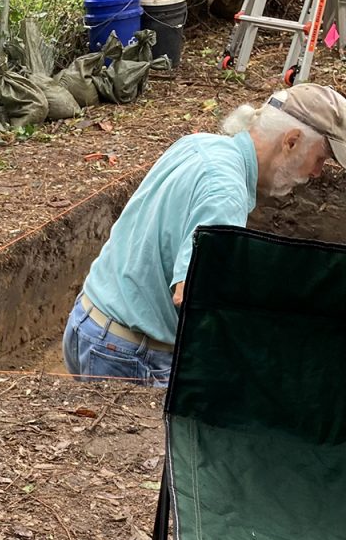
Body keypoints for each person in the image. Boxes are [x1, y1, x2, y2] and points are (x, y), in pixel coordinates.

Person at [63, 83, 346, 385]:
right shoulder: (226, 192)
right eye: (320, 159)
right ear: (291, 141)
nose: (317, 173)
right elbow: (194, 294)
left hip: (90, 321)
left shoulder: (201, 145)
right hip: (127, 354)